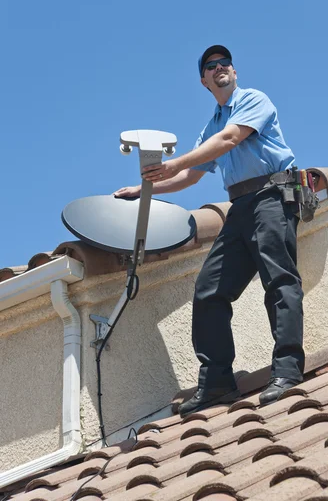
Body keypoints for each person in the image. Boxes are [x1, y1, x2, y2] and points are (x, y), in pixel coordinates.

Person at [114, 45, 305, 416]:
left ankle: (287, 370)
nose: (220, 68)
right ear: (203, 80)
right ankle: (217, 380)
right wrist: (145, 189)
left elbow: (229, 140)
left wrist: (172, 164)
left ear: (234, 71)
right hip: (241, 206)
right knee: (209, 289)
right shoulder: (210, 126)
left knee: (279, 281)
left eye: (225, 63)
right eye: (211, 66)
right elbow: (189, 175)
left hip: (271, 195)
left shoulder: (253, 100)